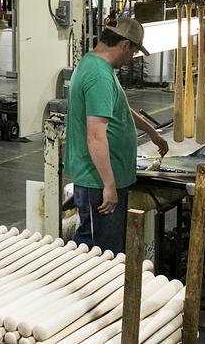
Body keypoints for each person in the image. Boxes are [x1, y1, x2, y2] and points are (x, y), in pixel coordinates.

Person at [67, 17, 169, 253]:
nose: (130, 59)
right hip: (97, 182)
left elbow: (118, 105)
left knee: (105, 248)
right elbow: (95, 136)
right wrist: (109, 185)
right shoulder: (99, 76)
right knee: (100, 253)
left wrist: (151, 132)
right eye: (133, 53)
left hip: (103, 178)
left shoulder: (96, 65)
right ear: (124, 45)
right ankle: (92, 290)